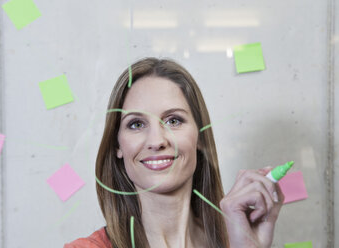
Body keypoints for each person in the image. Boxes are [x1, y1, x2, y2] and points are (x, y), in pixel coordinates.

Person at [64, 57, 284, 248]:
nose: (157, 141)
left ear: (201, 138)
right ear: (117, 146)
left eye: (173, 120)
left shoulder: (236, 241)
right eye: (136, 124)